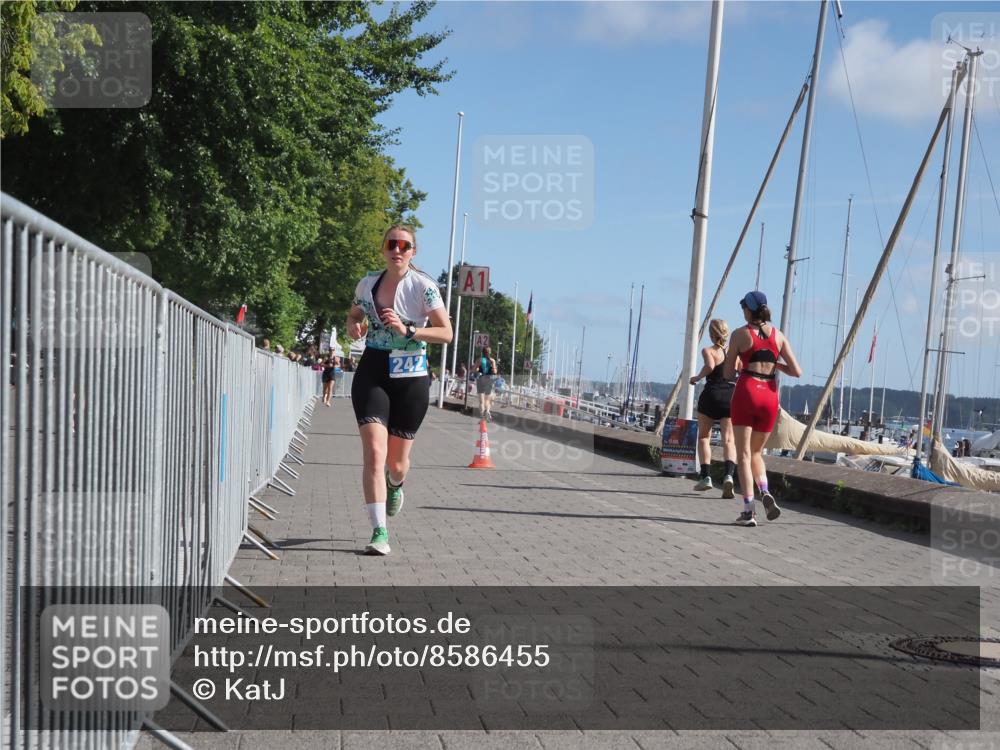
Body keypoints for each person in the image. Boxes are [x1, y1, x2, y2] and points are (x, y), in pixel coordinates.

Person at [345, 224, 453, 555]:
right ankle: (379, 532)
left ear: (413, 252)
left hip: (411, 376)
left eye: (404, 246)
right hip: (374, 370)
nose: (397, 250)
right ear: (383, 249)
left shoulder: (424, 287)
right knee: (375, 454)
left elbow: (446, 333)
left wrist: (408, 329)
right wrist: (354, 326)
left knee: (396, 463)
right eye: (391, 244)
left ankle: (396, 484)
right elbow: (353, 316)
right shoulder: (367, 284)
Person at [723, 291, 802, 527]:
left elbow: (727, 373)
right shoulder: (779, 336)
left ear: (748, 310)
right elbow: (797, 371)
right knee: (756, 452)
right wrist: (773, 363)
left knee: (743, 455)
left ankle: (748, 511)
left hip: (747, 391)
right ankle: (765, 491)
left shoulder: (739, 334)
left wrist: (739, 364)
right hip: (769, 395)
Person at [688, 319, 738, 498]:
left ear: (711, 334)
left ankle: (706, 476)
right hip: (730, 397)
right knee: (729, 440)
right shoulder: (734, 353)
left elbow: (710, 366)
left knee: (704, 437)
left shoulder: (708, 351)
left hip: (711, 395)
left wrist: (697, 377)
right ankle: (728, 476)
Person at [476, 346, 498, 421]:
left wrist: (478, 369)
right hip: (489, 380)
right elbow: (495, 372)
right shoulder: (492, 360)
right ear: (490, 352)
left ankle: (482, 417)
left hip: (481, 379)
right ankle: (488, 411)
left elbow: (475, 369)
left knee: (481, 401)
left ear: (482, 352)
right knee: (487, 400)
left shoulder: (479, 360)